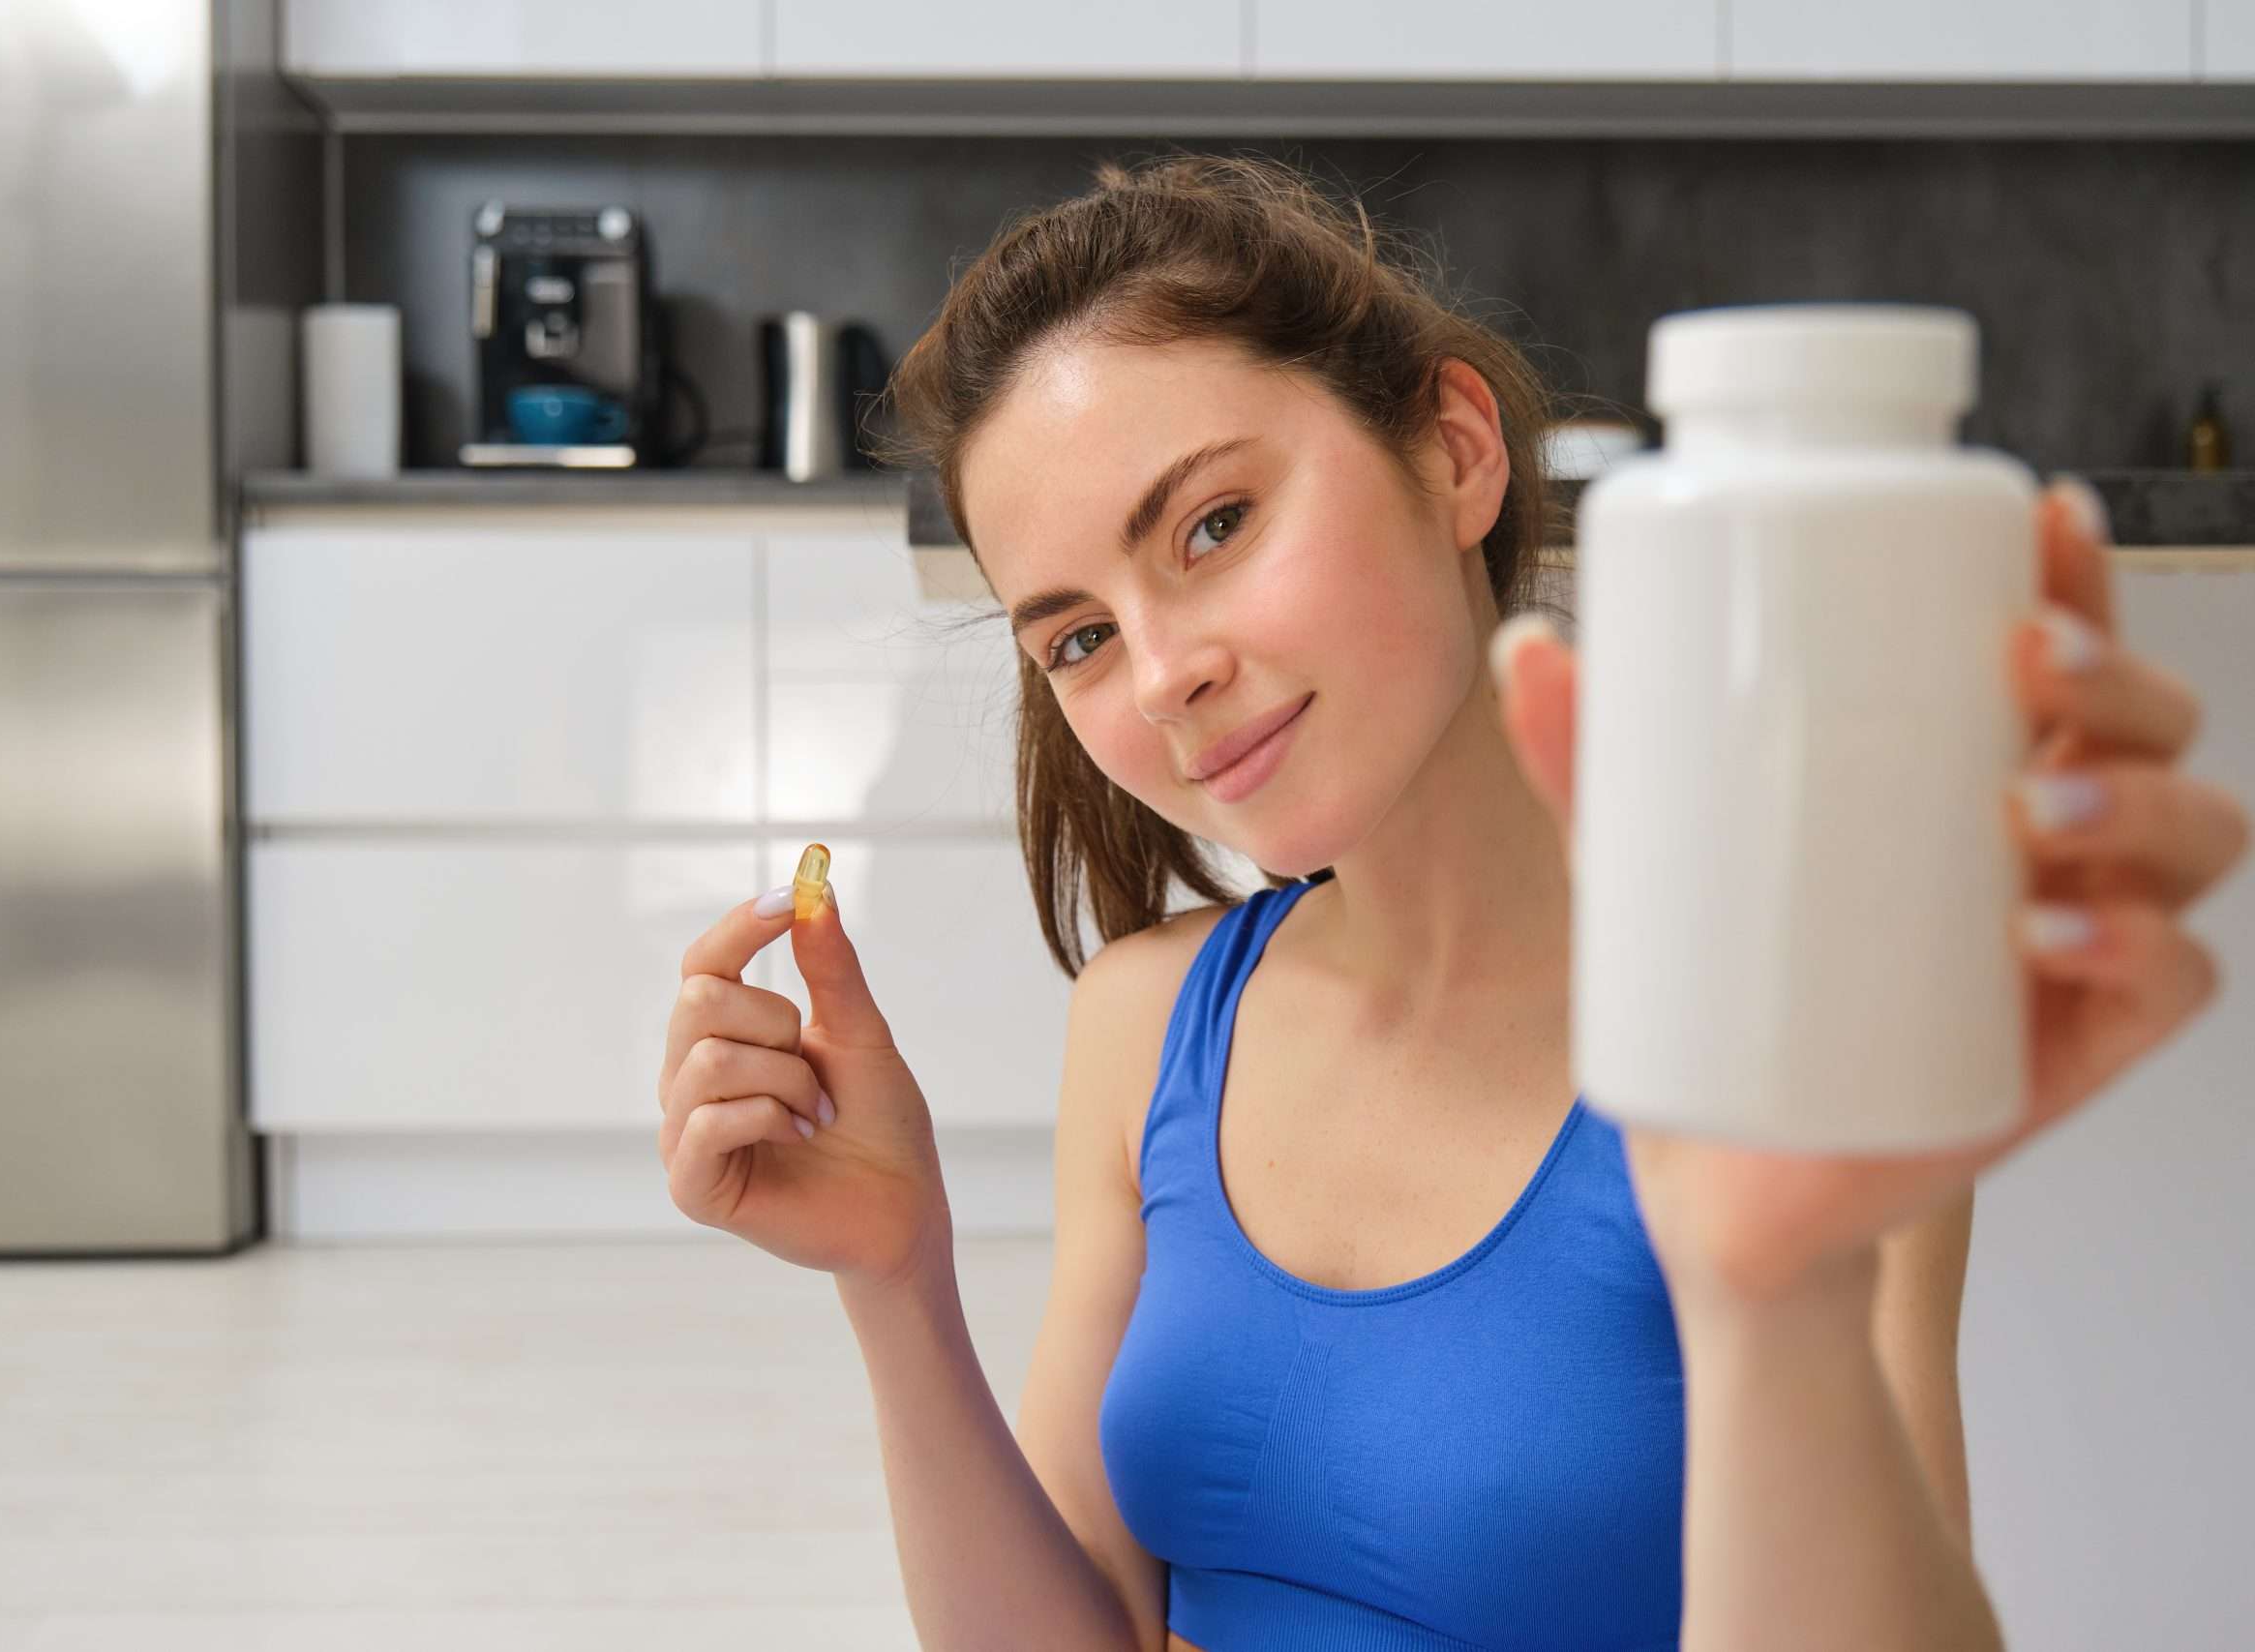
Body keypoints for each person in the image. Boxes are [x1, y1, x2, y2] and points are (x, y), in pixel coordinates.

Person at [656, 154, 2248, 1651]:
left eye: (1215, 524)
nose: (1163, 675)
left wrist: (1779, 1304)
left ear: (1457, 451)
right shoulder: (1148, 1023)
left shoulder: (1770, 1028)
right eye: (1075, 638)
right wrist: (898, 1286)